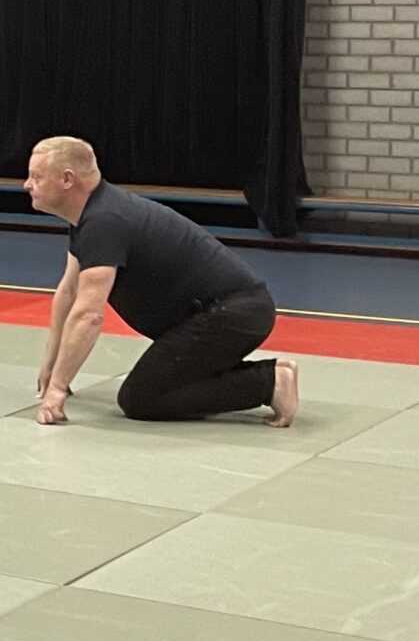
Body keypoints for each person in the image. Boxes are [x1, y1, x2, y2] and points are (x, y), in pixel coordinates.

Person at [25, 136, 299, 427]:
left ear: (67, 180)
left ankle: (267, 382)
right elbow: (69, 293)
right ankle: (269, 375)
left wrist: (56, 391)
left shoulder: (105, 221)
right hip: (228, 311)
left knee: (141, 398)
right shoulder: (91, 216)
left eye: (36, 177)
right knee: (159, 385)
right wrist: (52, 367)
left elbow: (89, 315)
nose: (27, 185)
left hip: (233, 313)